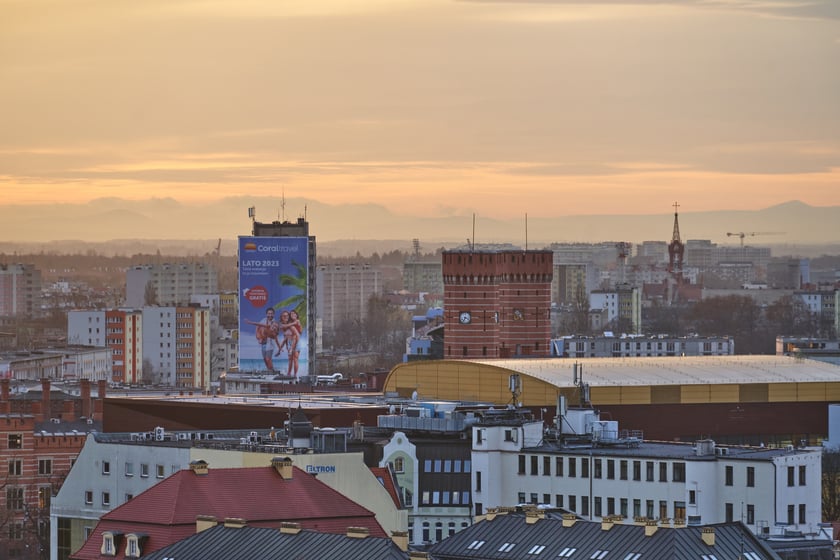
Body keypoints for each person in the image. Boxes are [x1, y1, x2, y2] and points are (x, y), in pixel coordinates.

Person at [278, 310, 301, 377]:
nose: (286, 317)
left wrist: (293, 346)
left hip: (295, 341)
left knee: (295, 359)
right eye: (284, 316)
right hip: (289, 342)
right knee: (290, 359)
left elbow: (297, 335)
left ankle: (295, 375)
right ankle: (289, 373)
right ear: (281, 317)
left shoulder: (291, 325)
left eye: (287, 315)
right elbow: (285, 338)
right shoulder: (283, 325)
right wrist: (280, 349)